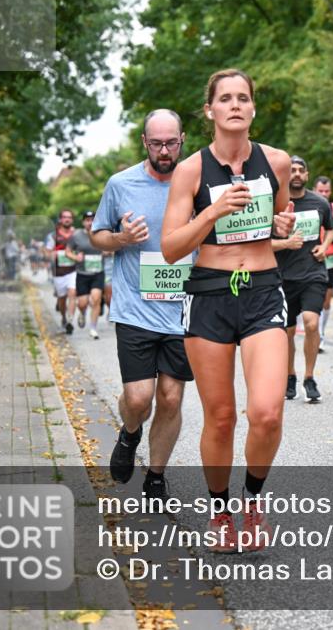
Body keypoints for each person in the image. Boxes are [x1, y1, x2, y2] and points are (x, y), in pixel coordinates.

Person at [161, 69, 295, 553]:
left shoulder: (276, 162)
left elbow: (279, 220)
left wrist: (280, 225)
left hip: (263, 291)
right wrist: (212, 212)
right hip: (209, 295)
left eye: (243, 98)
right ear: (210, 110)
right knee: (220, 418)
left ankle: (253, 500)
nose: (235, 105)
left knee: (267, 413)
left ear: (253, 108)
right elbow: (171, 248)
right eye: (225, 98)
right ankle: (220, 511)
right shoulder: (190, 170)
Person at [90, 109, 195, 502]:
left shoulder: (197, 181)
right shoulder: (121, 184)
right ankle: (130, 433)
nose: (164, 151)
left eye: (171, 143)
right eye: (156, 144)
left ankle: (155, 476)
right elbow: (97, 235)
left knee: (171, 397)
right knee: (138, 399)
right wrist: (121, 239)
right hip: (135, 308)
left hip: (183, 310)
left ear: (182, 140)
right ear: (144, 143)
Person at [273, 156, 333, 403]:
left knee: (311, 323)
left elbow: (331, 227)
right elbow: (262, 242)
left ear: (307, 175)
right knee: (287, 332)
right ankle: (290, 375)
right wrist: (286, 243)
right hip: (283, 276)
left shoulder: (319, 202)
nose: (297, 174)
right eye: (292, 170)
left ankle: (309, 378)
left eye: (301, 170)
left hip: (313, 273)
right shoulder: (276, 205)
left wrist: (325, 246)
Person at [312, 176, 333, 352]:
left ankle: (321, 333)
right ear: (314, 190)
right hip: (311, 257)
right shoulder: (309, 206)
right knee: (313, 298)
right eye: (320, 191)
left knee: (326, 299)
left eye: (326, 191)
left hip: (330, 258)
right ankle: (314, 334)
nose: (324, 194)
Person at [67, 211, 105, 339]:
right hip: (82, 273)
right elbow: (67, 252)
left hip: (97, 272)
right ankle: (82, 313)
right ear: (83, 222)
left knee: (96, 299)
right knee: (82, 303)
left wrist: (107, 252)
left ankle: (93, 328)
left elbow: (110, 249)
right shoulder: (76, 235)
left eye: (93, 220)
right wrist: (75, 257)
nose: (90, 222)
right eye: (87, 220)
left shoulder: (102, 234)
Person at [46, 210, 78, 334]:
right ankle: (64, 317)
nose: (67, 219)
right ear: (60, 219)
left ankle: (70, 321)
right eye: (64, 217)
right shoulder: (53, 236)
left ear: (72, 220)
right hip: (58, 272)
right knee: (62, 299)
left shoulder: (76, 234)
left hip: (73, 270)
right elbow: (47, 252)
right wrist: (51, 254)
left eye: (69, 217)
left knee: (72, 293)